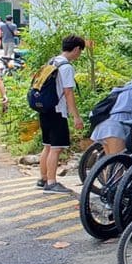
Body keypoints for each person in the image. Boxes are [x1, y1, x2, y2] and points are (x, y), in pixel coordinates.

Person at [36, 34, 85, 192]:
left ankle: (43, 179)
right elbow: (68, 92)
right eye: (80, 51)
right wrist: (76, 116)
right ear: (76, 48)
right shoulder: (66, 67)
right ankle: (51, 182)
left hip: (45, 109)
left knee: (47, 146)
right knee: (56, 148)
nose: (79, 54)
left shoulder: (52, 61)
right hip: (58, 110)